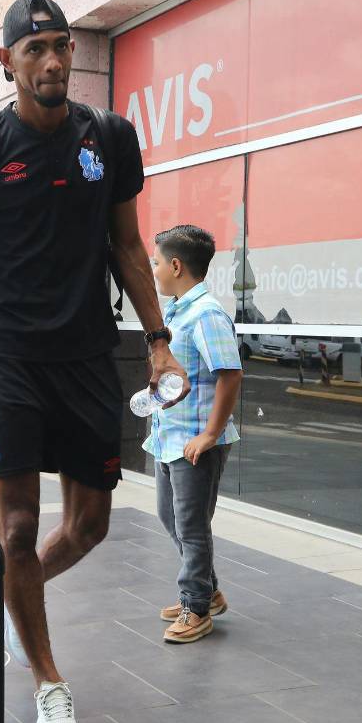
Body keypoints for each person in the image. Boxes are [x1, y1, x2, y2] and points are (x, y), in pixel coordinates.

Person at [0, 0, 190, 723]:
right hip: (11, 358)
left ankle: (13, 599)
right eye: (35, 51)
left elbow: (129, 247)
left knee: (92, 525)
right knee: (15, 531)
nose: (52, 61)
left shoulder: (108, 137)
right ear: (7, 62)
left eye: (62, 47)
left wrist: (159, 340)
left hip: (86, 357)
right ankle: (47, 682)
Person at [145, 225, 242, 644]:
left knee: (191, 526)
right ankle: (207, 591)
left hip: (196, 444)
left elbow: (231, 374)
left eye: (156, 262)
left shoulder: (206, 314)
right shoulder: (176, 310)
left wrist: (210, 434)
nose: (154, 268)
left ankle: (196, 608)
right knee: (173, 519)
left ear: (176, 265)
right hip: (170, 437)